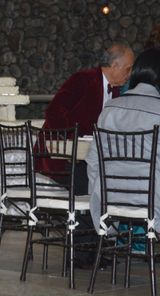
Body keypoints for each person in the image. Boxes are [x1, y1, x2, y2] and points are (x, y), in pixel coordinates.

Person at [42, 43, 135, 192]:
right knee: (97, 186)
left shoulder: (116, 92)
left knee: (118, 179)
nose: (130, 74)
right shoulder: (83, 79)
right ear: (115, 65)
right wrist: (71, 140)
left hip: (89, 159)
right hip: (65, 158)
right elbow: (54, 110)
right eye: (128, 68)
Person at [85, 48, 160, 234]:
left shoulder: (109, 110)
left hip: (110, 200)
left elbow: (93, 162)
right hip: (153, 202)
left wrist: (99, 196)